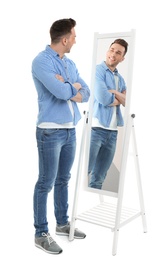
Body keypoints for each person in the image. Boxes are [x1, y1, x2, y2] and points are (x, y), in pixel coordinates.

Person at [32, 18, 90, 254]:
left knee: (63, 179)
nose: (76, 40)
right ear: (65, 39)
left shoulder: (70, 63)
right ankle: (40, 232)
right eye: (74, 37)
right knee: (45, 182)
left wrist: (71, 87)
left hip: (69, 130)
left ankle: (63, 224)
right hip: (50, 131)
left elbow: (85, 93)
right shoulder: (41, 62)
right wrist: (71, 87)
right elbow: (61, 91)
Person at [88, 39, 128, 189]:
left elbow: (128, 102)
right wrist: (120, 97)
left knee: (99, 179)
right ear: (107, 51)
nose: (113, 54)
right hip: (96, 129)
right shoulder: (98, 70)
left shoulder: (121, 79)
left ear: (122, 58)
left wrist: (115, 92)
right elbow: (103, 98)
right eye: (112, 50)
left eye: (118, 52)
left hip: (112, 133)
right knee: (85, 171)